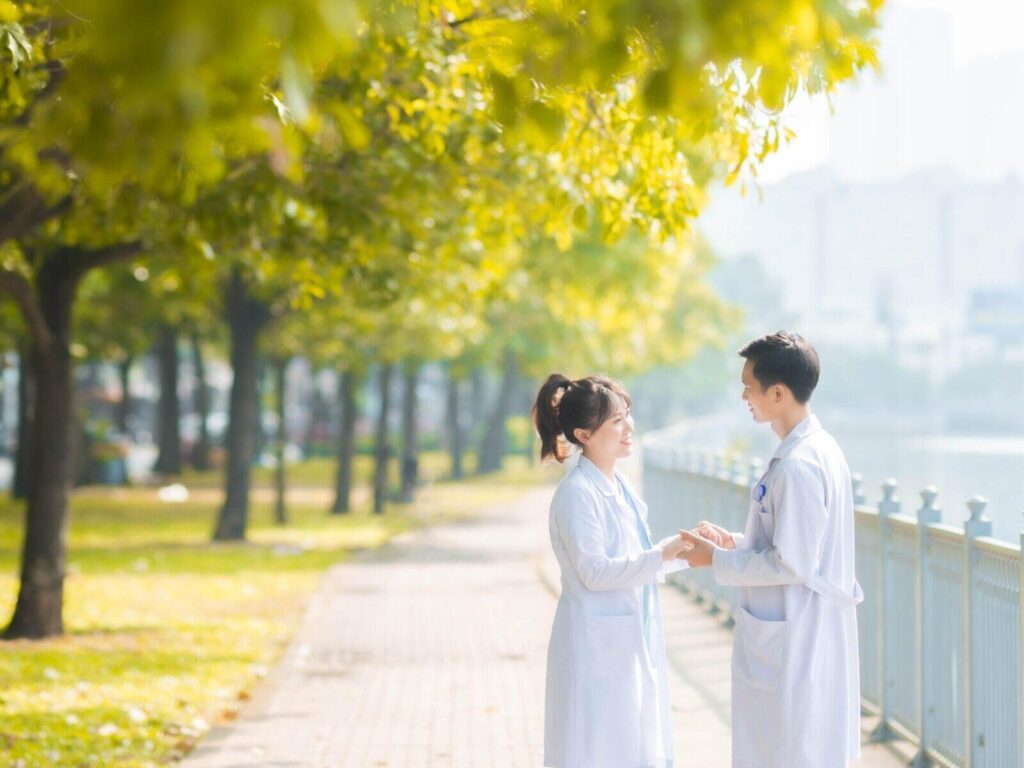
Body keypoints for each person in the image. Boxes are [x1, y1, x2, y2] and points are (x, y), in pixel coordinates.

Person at [678, 331, 862, 768]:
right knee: (795, 746)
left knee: (789, 750)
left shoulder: (798, 465)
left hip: (797, 637)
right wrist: (737, 543)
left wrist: (717, 560)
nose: (743, 394)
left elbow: (793, 563)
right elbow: (793, 545)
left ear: (777, 393)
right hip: (800, 629)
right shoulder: (816, 450)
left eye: (749, 385)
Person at [534, 374, 689, 768]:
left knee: (632, 744)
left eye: (628, 415)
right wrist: (661, 555)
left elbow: (635, 561)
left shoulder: (620, 489)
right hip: (594, 645)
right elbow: (595, 572)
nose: (629, 428)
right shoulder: (577, 495)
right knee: (595, 748)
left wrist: (688, 551)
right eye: (616, 421)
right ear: (584, 434)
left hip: (622, 639)